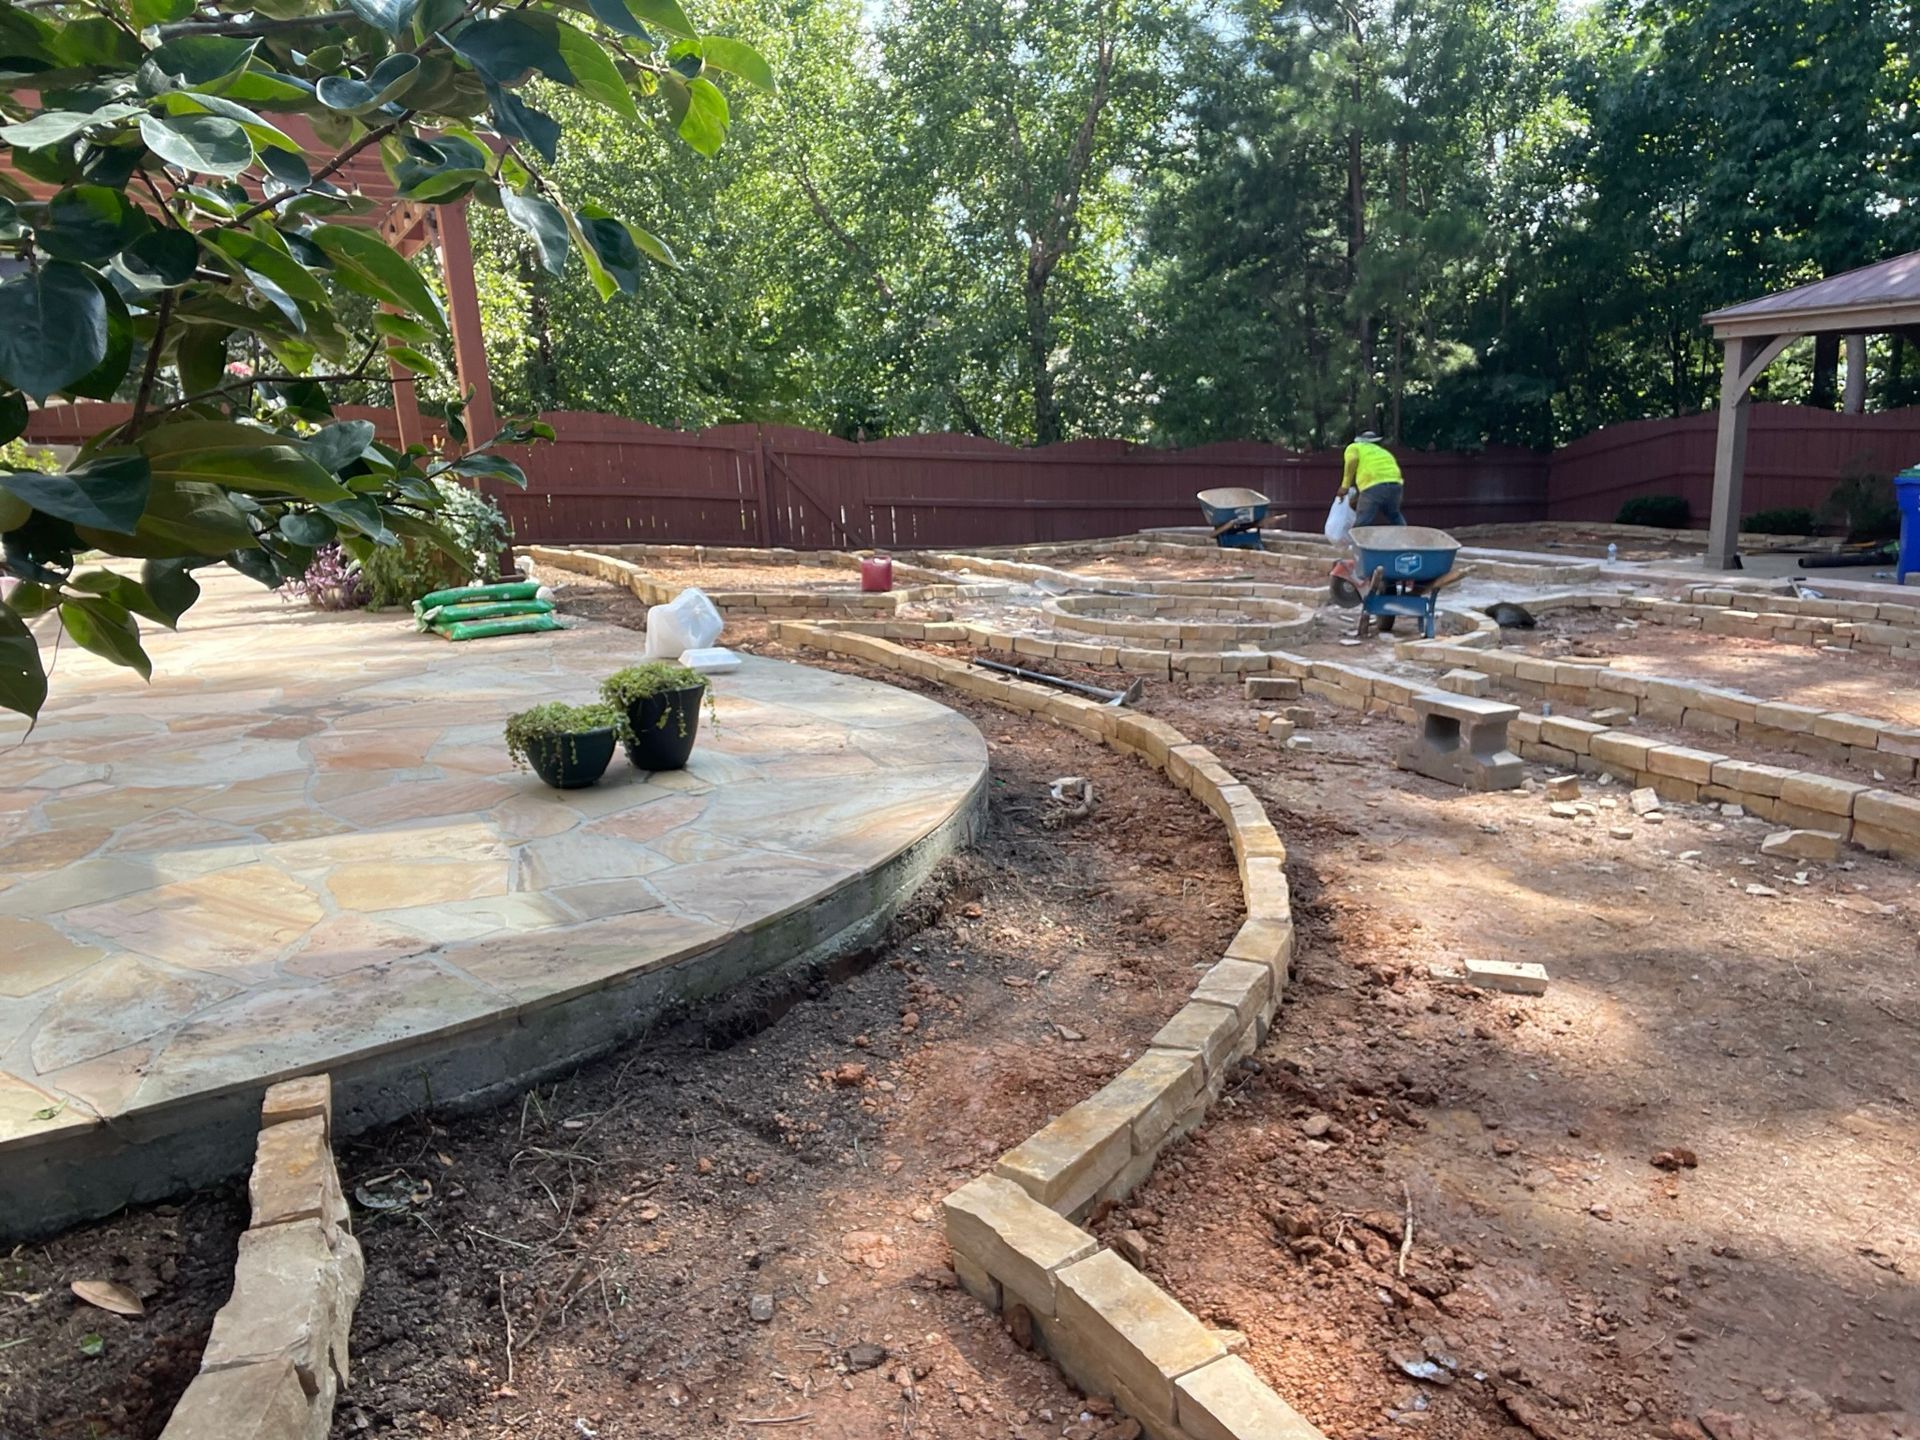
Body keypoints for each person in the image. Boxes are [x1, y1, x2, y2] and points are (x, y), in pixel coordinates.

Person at [1340, 430, 1406, 528]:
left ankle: (1358, 542)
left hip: (1372, 484)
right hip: (1395, 484)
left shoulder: (1354, 447)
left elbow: (1352, 461)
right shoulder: (1383, 452)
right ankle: (1405, 539)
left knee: (1362, 522)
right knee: (1394, 516)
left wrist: (1345, 486)